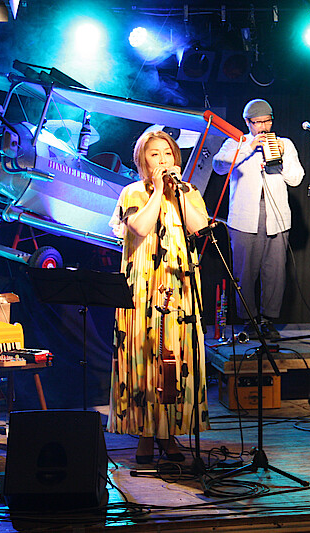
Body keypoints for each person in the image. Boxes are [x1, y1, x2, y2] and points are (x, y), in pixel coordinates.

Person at [107, 130, 211, 463]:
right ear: (142, 160)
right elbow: (140, 227)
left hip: (179, 286)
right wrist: (156, 192)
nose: (162, 159)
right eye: (154, 154)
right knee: (144, 356)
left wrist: (177, 193)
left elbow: (199, 227)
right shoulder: (132, 192)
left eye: (167, 153)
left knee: (174, 359)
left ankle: (169, 433)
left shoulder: (187, 192)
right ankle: (145, 433)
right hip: (143, 288)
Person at [212, 99, 304, 340]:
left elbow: (296, 179)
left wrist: (281, 159)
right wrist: (247, 148)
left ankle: (268, 320)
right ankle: (249, 320)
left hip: (277, 217)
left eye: (267, 121)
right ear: (247, 122)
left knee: (275, 271)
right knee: (244, 272)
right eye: (258, 122)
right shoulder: (235, 142)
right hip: (244, 218)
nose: (263, 127)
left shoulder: (284, 144)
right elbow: (219, 166)